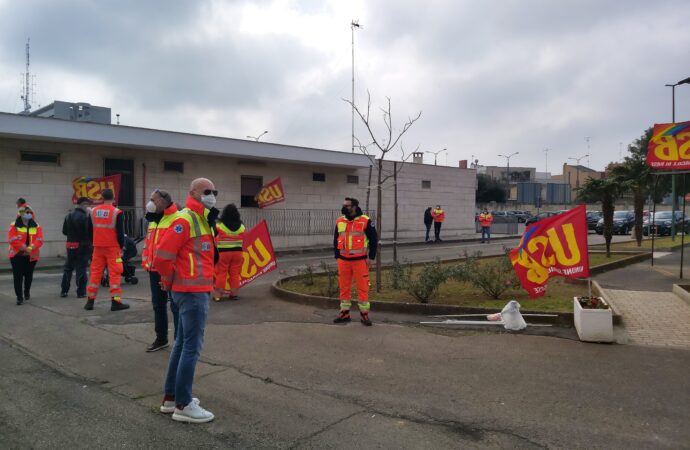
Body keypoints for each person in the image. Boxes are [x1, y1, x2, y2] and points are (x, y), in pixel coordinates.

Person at [156, 178, 218, 423]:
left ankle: (171, 398)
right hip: (191, 293)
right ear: (193, 193)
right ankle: (183, 404)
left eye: (214, 191)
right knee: (191, 347)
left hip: (191, 291)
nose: (211, 195)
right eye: (206, 191)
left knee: (182, 344)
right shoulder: (187, 219)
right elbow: (162, 256)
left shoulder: (201, 218)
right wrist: (168, 279)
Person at [142, 189, 180, 352]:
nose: (150, 202)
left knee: (176, 306)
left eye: (153, 199)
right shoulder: (153, 220)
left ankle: (179, 341)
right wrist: (147, 264)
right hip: (154, 270)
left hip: (172, 271)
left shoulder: (177, 219)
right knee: (158, 305)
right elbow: (149, 244)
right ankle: (161, 338)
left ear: (162, 201)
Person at [333, 197, 378, 326]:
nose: (344, 208)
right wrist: (337, 256)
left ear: (354, 207)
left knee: (363, 288)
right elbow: (336, 239)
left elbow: (374, 240)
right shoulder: (339, 221)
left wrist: (372, 257)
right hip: (343, 261)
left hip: (360, 261)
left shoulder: (366, 221)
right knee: (344, 288)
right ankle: (344, 314)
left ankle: (364, 316)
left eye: (347, 206)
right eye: (344, 205)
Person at [85, 188, 130, 311]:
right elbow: (120, 233)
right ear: (113, 198)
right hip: (112, 248)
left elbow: (89, 230)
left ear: (102, 198)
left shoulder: (93, 211)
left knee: (95, 273)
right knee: (114, 274)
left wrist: (94, 242)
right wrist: (122, 246)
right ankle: (115, 302)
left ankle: (90, 301)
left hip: (97, 247)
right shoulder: (117, 212)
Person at [7, 204, 43, 305]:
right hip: (17, 255)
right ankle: (19, 296)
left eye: (30, 212)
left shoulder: (36, 225)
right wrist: (24, 247)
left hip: (32, 255)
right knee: (18, 276)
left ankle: (27, 292)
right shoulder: (14, 225)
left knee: (28, 275)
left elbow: (39, 240)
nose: (29, 214)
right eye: (26, 212)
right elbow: (11, 239)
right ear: (21, 213)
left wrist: (31, 248)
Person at [60, 197, 92, 298]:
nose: (88, 207)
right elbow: (88, 233)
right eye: (87, 205)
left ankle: (64, 291)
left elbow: (64, 232)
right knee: (81, 268)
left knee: (68, 268)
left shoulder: (68, 216)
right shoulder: (85, 217)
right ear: (84, 204)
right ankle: (81, 292)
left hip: (70, 244)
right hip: (83, 246)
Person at [213, 203, 245, 301]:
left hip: (223, 253)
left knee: (221, 273)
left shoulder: (219, 225)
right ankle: (234, 294)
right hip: (238, 253)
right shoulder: (242, 226)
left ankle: (218, 295)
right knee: (235, 274)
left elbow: (213, 235)